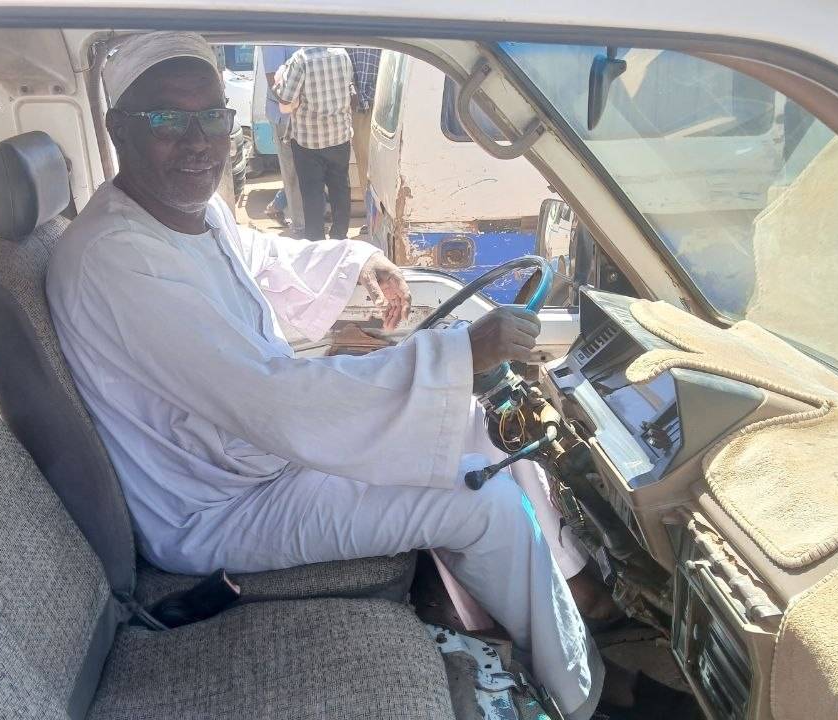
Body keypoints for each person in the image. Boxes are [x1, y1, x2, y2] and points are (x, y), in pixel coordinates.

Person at [47, 32, 602, 719]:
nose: (198, 141)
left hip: (253, 460)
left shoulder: (187, 211)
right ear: (118, 129)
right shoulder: (116, 259)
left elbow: (256, 256)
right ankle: (580, 693)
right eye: (167, 119)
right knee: (486, 506)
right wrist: (460, 355)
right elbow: (273, 400)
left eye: (213, 117)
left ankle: (567, 595)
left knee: (471, 424)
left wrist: (357, 260)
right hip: (219, 507)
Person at [273, 46, 353, 241]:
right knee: (340, 189)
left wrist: (279, 77)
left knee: (312, 195)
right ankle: (340, 237)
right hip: (340, 136)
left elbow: (285, 98)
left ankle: (317, 243)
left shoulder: (300, 59)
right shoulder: (342, 53)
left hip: (309, 140)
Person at [258, 45, 304, 232]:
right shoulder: (274, 40)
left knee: (306, 169)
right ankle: (300, 225)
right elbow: (274, 81)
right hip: (285, 117)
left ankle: (278, 206)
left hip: (304, 116)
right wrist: (294, 104)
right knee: (292, 170)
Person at [346, 47, 381, 205]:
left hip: (384, 104)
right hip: (361, 108)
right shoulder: (351, 38)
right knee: (365, 164)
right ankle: (371, 211)